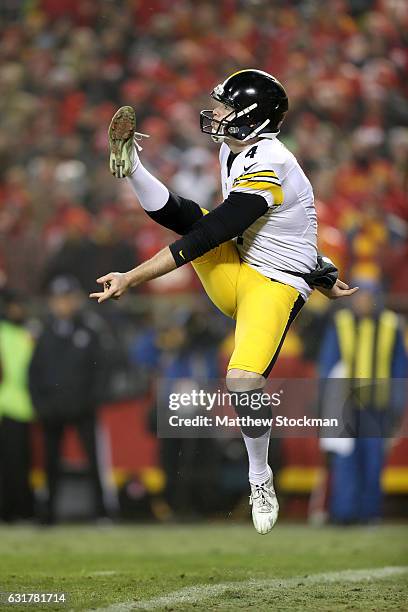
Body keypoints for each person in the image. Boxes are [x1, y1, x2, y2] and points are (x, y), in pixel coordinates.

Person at [90, 69, 358, 534]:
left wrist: (132, 276)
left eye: (225, 107)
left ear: (251, 116)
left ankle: (260, 475)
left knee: (241, 382)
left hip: (273, 286)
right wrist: (323, 267)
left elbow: (218, 231)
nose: (215, 114)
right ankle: (133, 164)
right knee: (192, 219)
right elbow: (226, 224)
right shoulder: (231, 149)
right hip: (241, 266)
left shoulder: (272, 162)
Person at [319, 279, 407, 524]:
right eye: (359, 297)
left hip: (376, 406)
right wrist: (326, 402)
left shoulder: (391, 325)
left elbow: (399, 370)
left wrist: (396, 407)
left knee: (372, 461)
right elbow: (328, 365)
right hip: (346, 406)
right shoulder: (341, 323)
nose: (363, 302)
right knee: (346, 460)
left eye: (368, 297)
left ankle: (369, 514)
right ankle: (344, 513)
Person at [29, 276, 108, 524]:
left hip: (83, 407)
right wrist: (40, 404)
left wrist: (92, 399)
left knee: (94, 461)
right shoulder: (44, 334)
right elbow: (34, 372)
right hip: (53, 410)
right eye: (58, 299)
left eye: (66, 298)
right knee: (50, 463)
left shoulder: (89, 330)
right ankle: (48, 514)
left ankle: (101, 512)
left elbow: (101, 370)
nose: (62, 304)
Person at [0, 289, 34, 522]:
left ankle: (16, 511)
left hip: (18, 406)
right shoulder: (16, 334)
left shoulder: (27, 335)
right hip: (10, 405)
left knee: (17, 464)